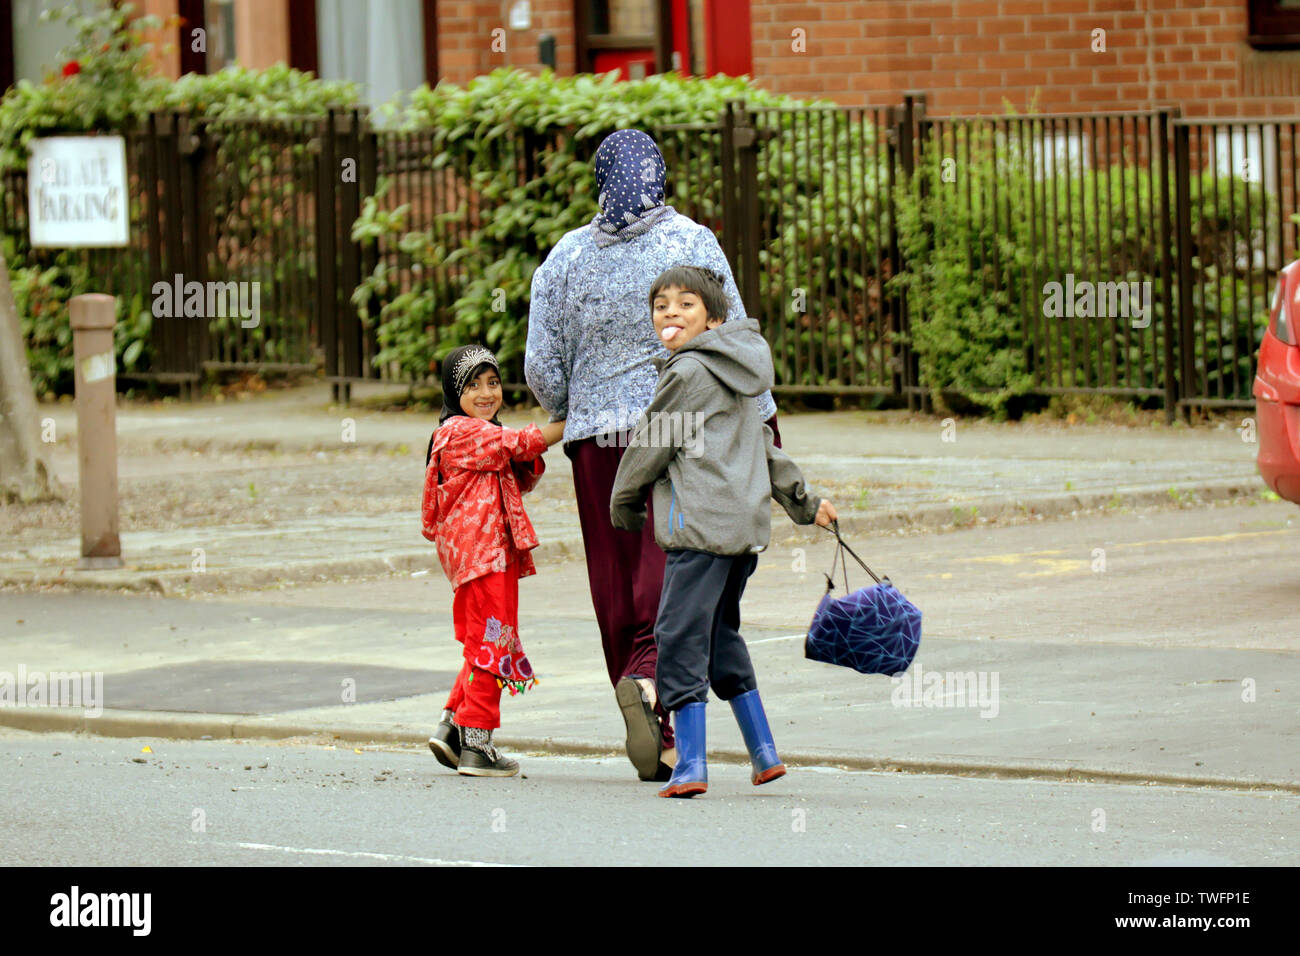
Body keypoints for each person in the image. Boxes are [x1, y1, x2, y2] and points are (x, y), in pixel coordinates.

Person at [525, 128, 783, 783]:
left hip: (595, 445)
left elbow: (542, 367)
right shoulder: (691, 242)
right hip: (676, 432)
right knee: (668, 573)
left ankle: (654, 723)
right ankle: (649, 682)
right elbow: (730, 334)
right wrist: (763, 419)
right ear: (660, 177)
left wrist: (574, 408)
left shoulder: (565, 258)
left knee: (613, 585)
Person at [610, 266, 837, 798]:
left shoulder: (687, 374)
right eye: (660, 305)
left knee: (678, 636)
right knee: (718, 636)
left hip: (701, 529)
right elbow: (763, 445)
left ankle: (690, 765)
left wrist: (624, 499)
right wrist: (806, 503)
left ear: (713, 319)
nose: (670, 313)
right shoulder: (736, 370)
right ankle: (764, 753)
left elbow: (651, 445)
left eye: (685, 304)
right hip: (742, 532)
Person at [422, 344, 565, 777]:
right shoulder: (459, 431)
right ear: (453, 391)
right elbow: (525, 442)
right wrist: (575, 418)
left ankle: (452, 727)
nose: (486, 393)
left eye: (493, 382)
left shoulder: (478, 432)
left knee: (484, 640)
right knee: (493, 641)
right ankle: (478, 743)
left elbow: (524, 469)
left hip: (487, 554)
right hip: (482, 555)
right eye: (473, 386)